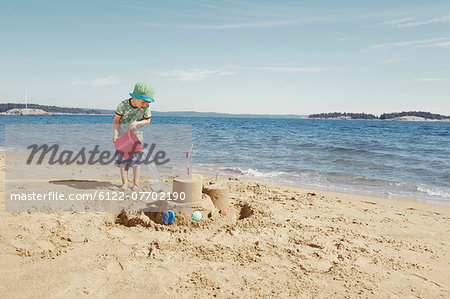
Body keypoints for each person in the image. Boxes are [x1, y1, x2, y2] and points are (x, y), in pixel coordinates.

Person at [113, 82, 154, 190]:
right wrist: (115, 135)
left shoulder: (146, 107)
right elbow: (116, 120)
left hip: (137, 137)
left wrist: (137, 123)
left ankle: (136, 184)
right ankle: (125, 183)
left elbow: (148, 120)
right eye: (143, 102)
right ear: (135, 98)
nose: (145, 105)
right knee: (123, 161)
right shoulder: (123, 105)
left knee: (136, 161)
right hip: (123, 137)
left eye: (147, 103)